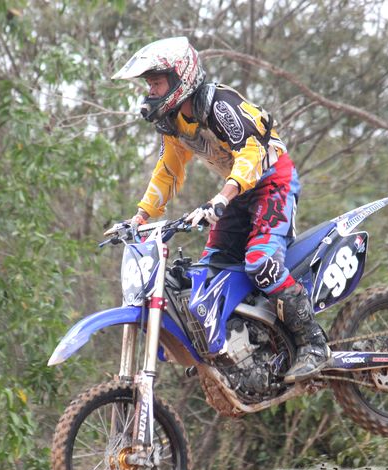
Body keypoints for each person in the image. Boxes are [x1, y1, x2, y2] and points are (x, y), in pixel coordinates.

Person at [110, 36, 328, 383]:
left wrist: (223, 196)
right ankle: (236, 347)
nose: (151, 91)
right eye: (149, 84)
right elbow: (167, 171)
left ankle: (313, 343)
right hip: (237, 192)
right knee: (210, 271)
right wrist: (140, 217)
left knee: (261, 262)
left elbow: (252, 153)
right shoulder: (172, 122)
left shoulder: (219, 105)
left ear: (181, 77)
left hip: (272, 181)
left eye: (157, 83)